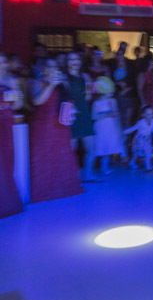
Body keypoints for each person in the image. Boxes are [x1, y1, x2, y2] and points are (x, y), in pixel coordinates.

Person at [29, 58, 82, 202]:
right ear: (43, 69)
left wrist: (71, 110)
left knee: (61, 154)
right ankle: (44, 190)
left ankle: (63, 188)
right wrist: (51, 84)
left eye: (55, 67)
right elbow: (36, 101)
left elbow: (69, 99)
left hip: (60, 124)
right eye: (49, 67)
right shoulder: (36, 82)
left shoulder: (62, 82)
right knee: (44, 155)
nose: (52, 70)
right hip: (43, 125)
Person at [65, 51, 98, 182]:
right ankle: (70, 177)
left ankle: (88, 175)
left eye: (77, 59)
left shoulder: (85, 76)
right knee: (71, 149)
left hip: (84, 113)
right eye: (71, 59)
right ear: (67, 62)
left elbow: (89, 97)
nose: (75, 61)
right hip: (70, 114)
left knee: (91, 148)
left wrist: (92, 88)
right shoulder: (64, 77)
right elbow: (62, 96)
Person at [0, 50, 24, 218]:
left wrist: (17, 94)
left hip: (7, 122)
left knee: (7, 160)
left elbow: (19, 104)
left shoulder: (11, 80)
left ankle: (8, 202)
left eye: (3, 62)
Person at [91, 77, 126, 174]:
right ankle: (99, 167)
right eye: (109, 91)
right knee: (102, 146)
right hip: (101, 127)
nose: (111, 93)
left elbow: (116, 115)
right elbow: (94, 116)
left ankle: (105, 167)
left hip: (111, 127)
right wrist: (107, 114)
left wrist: (119, 128)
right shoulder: (96, 102)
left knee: (109, 146)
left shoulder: (113, 101)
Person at [125, 105, 153, 171]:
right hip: (139, 140)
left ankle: (148, 166)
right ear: (143, 115)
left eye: (152, 113)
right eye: (148, 114)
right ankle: (132, 162)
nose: (151, 115)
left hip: (147, 140)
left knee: (148, 152)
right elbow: (133, 128)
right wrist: (125, 132)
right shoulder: (140, 123)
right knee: (136, 153)